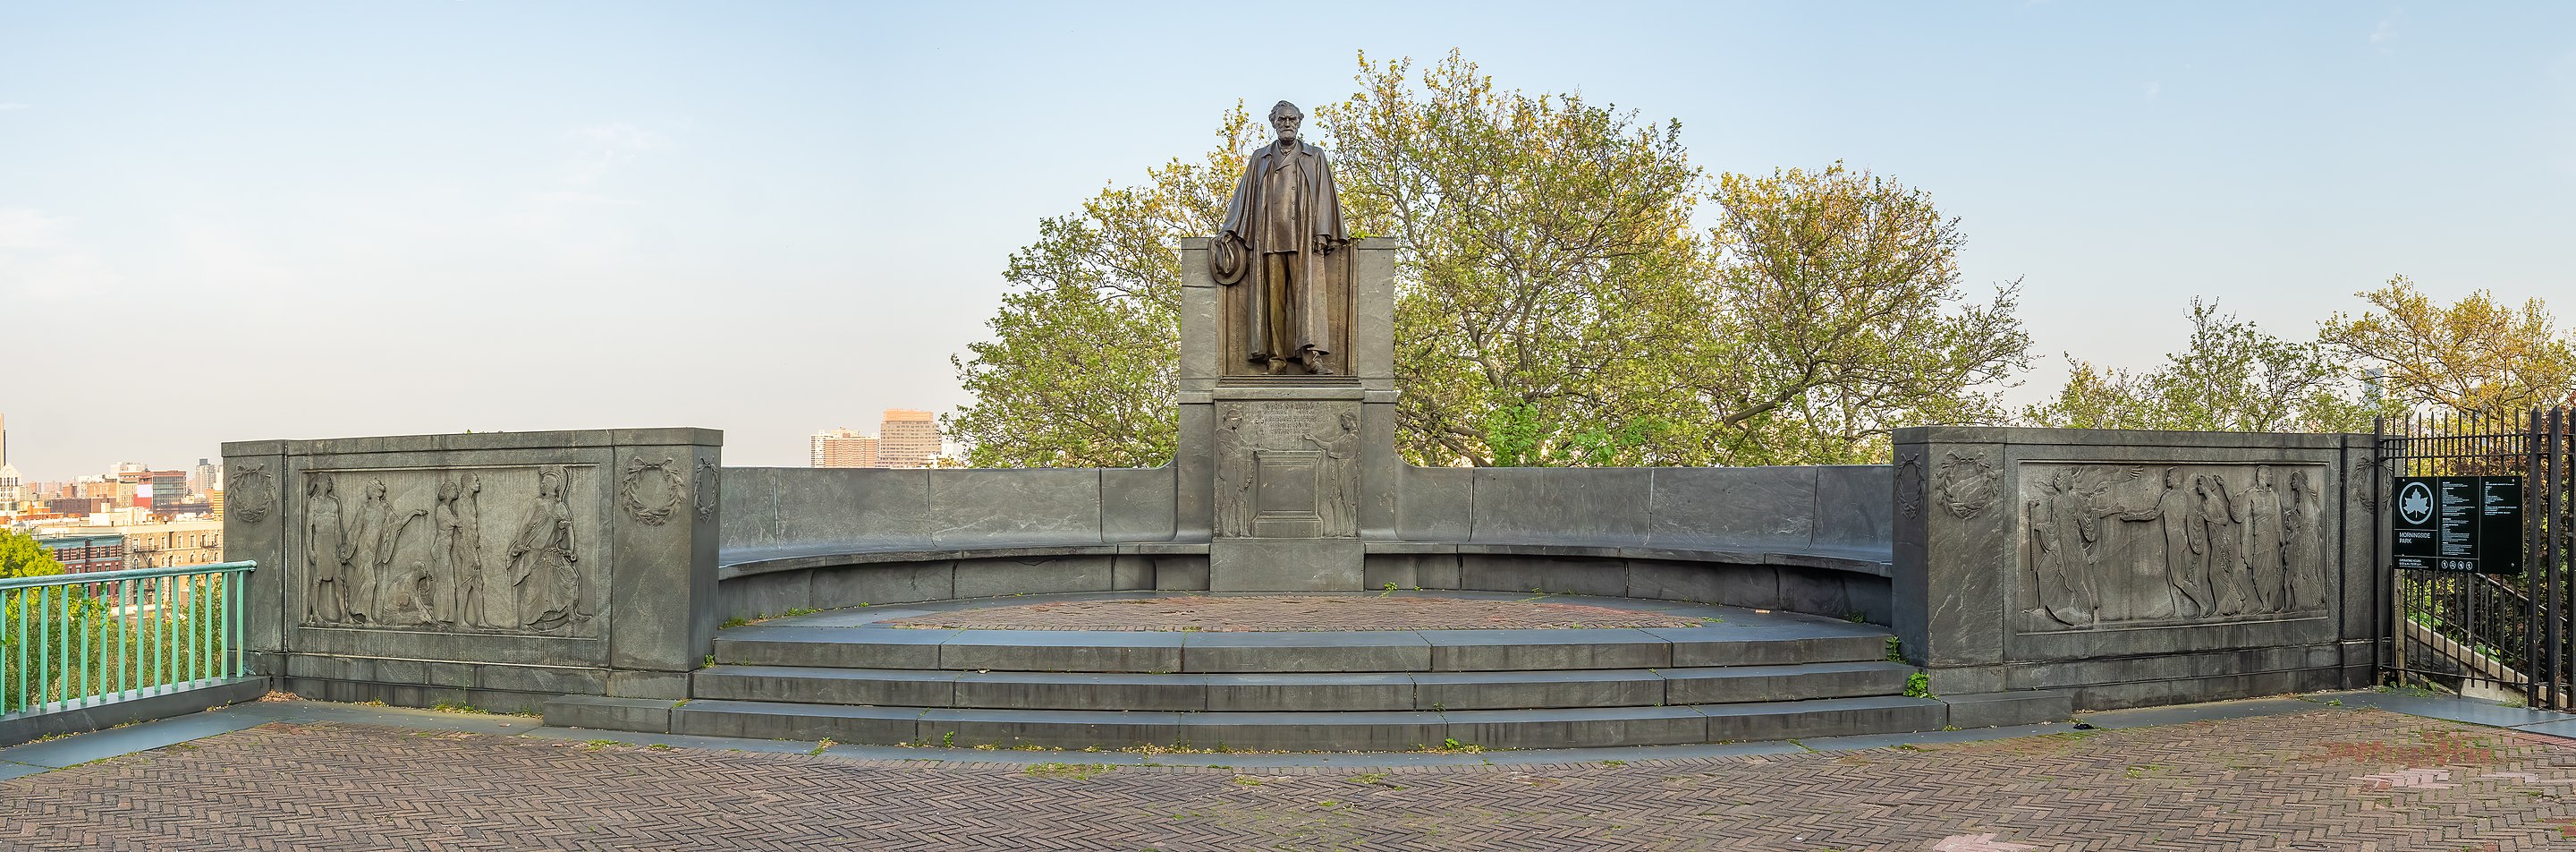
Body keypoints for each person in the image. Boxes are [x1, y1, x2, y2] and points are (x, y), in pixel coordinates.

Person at [1212, 100, 1349, 375]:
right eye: (1282, 119)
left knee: (1306, 298)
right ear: (1273, 122)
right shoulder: (1260, 157)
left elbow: (1323, 196)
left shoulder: (1314, 156)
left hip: (1303, 236)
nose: (1287, 124)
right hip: (1270, 237)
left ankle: (1312, 358)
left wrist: (1322, 231)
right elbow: (1244, 197)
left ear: (1300, 122)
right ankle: (1276, 359)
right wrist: (1230, 228)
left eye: (1292, 120)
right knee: (1274, 302)